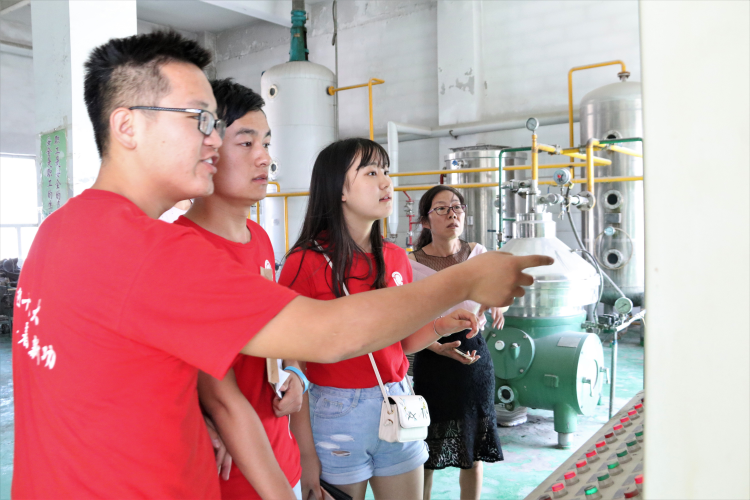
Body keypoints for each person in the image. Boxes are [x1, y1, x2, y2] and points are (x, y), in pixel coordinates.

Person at [11, 30, 551, 498]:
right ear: (127, 126)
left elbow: (168, 384)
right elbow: (326, 334)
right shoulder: (154, 251)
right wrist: (466, 278)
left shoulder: (62, 229)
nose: (213, 140)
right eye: (200, 120)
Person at [278, 139, 485, 500]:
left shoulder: (395, 257)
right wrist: (306, 455)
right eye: (371, 173)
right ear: (339, 190)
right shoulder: (304, 262)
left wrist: (440, 325)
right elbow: (292, 362)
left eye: (386, 172)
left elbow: (400, 343)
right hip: (336, 413)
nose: (387, 182)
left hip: (398, 400)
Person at [176, 78, 311, 500]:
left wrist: (295, 374)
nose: (265, 157)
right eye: (247, 143)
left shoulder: (260, 238)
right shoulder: (181, 251)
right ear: (206, 149)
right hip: (229, 477)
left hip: (280, 458)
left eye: (266, 143)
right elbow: (219, 398)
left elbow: (280, 331)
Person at [408, 185, 505, 500]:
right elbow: (405, 321)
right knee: (425, 451)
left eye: (457, 207)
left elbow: (500, 289)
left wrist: (498, 303)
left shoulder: (478, 254)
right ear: (425, 221)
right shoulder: (411, 265)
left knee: (473, 451)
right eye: (442, 208)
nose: (452, 214)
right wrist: (436, 347)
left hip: (473, 360)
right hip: (432, 359)